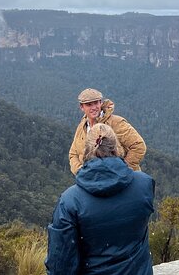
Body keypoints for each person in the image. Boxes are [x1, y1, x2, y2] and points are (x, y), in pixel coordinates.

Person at [46, 123, 155, 274]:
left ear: (86, 150)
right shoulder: (144, 184)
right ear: (117, 147)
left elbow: (61, 262)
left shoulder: (70, 201)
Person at [69, 88, 146, 175]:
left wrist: (122, 169)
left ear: (101, 103)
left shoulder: (116, 123)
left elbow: (139, 145)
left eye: (96, 103)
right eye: (89, 104)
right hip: (93, 182)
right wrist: (81, 171)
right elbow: (73, 154)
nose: (94, 107)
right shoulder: (82, 127)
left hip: (122, 182)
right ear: (82, 107)